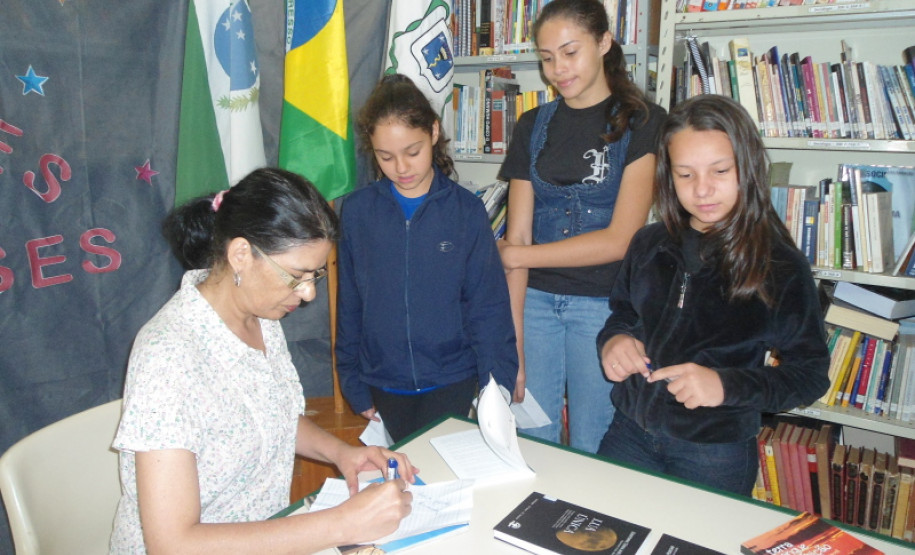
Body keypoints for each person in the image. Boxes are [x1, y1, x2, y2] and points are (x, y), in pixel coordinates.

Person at [110, 168, 416, 554]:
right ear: (241, 254)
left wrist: (343, 454)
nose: (307, 294)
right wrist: (340, 524)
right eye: (296, 276)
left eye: (315, 275)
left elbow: (272, 418)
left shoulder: (260, 314)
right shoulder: (168, 356)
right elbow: (172, 544)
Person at [596, 94, 831, 495]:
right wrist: (615, 340)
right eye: (685, 175)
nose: (702, 190)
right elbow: (622, 313)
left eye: (719, 171)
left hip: (713, 450)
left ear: (748, 168)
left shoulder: (779, 265)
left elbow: (809, 375)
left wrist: (725, 385)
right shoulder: (650, 243)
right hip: (630, 431)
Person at [497, 0, 666, 452]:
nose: (558, 70)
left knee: (597, 443)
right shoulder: (532, 124)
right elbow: (517, 236)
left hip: (605, 308)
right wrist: (512, 342)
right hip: (533, 306)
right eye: (547, 58)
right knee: (532, 439)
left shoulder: (644, 122)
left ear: (604, 42)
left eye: (570, 52)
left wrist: (520, 256)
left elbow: (621, 239)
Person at [335, 74, 518, 443]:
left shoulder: (466, 212)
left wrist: (496, 383)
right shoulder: (357, 212)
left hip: (452, 377)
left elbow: (489, 307)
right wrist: (351, 380)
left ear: (434, 132)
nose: (401, 167)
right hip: (381, 380)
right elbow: (350, 303)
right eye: (385, 156)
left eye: (412, 151)